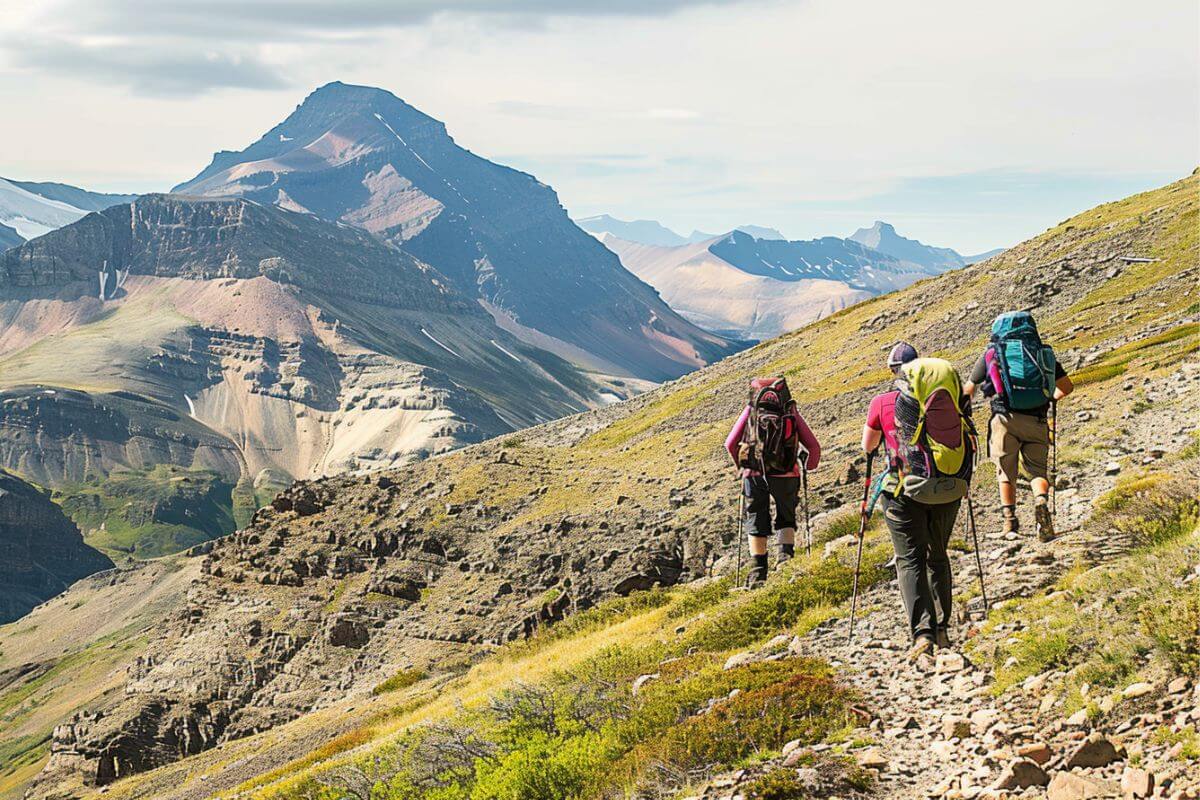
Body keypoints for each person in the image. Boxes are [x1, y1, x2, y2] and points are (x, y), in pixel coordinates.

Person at [862, 342, 969, 660]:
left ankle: (922, 634)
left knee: (910, 560)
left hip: (902, 491)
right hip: (948, 486)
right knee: (938, 556)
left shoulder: (882, 402)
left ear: (895, 372)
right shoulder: (949, 397)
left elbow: (868, 447)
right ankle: (942, 629)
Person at [964, 312, 1073, 541]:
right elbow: (1066, 387)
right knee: (1036, 471)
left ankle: (1010, 524)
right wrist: (1049, 399)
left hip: (1004, 420)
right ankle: (1041, 500)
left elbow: (969, 389)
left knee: (1006, 472)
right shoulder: (1044, 354)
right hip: (1037, 420)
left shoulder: (992, 353)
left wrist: (963, 413)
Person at [725, 376, 821, 585]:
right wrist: (807, 466)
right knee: (785, 515)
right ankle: (785, 559)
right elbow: (813, 446)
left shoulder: (750, 412)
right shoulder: (789, 412)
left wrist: (742, 465)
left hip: (754, 474)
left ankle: (758, 570)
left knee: (756, 518)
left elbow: (730, 443)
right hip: (787, 472)